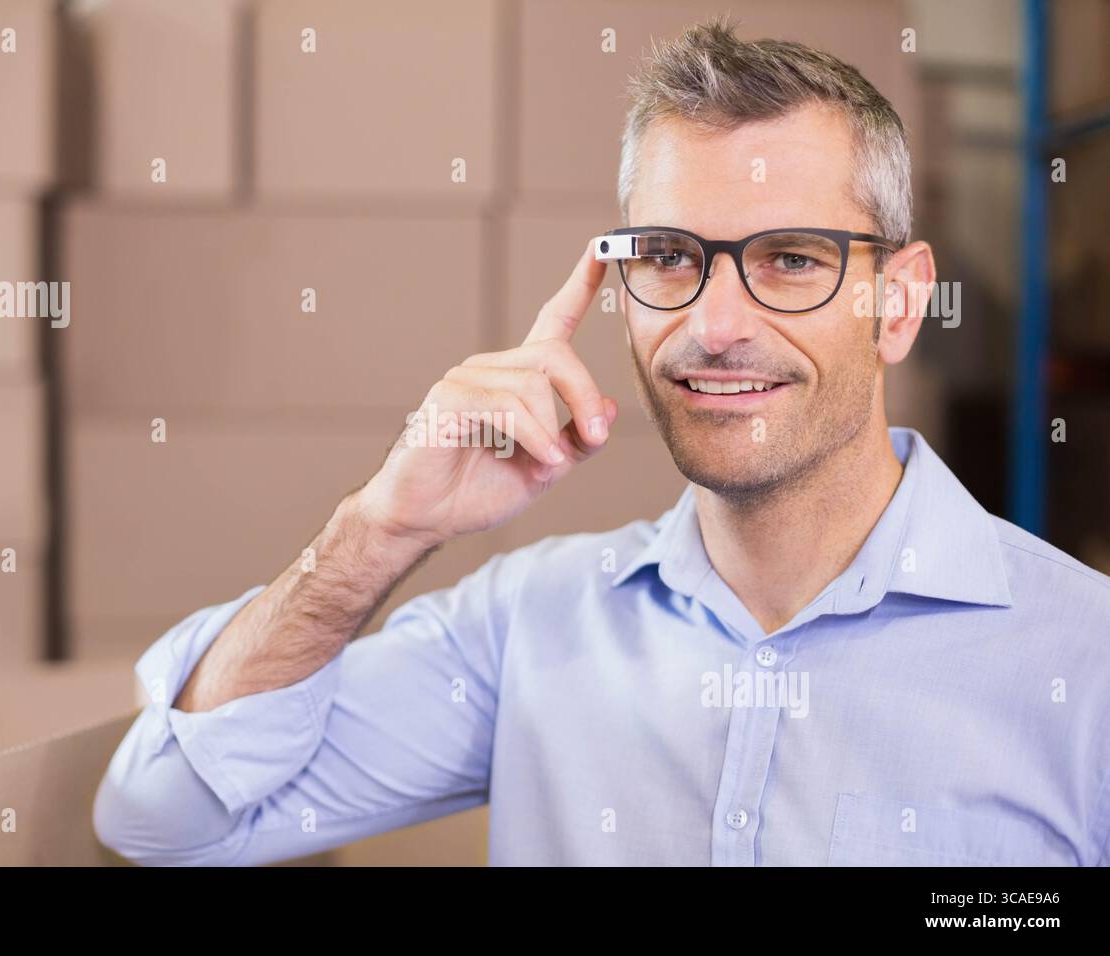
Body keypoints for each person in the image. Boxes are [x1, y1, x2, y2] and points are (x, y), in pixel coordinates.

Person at [93, 21, 1110, 866]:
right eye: (669, 257)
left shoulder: (1081, 659)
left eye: (790, 259)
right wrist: (378, 527)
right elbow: (162, 818)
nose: (716, 325)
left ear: (896, 304)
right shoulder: (528, 628)